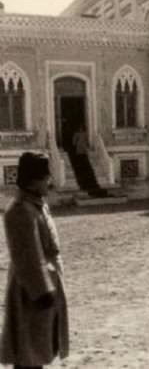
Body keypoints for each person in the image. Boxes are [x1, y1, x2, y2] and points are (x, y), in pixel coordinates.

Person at [1, 152, 69, 368]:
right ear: (33, 179)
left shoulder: (37, 204)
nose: (49, 180)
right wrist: (43, 294)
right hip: (31, 294)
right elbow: (27, 257)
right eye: (45, 176)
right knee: (28, 354)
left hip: (43, 289)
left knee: (37, 352)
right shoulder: (20, 211)